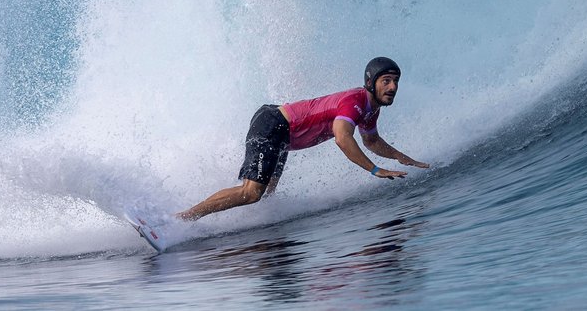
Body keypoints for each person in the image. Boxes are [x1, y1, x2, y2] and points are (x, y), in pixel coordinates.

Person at [178, 56, 430, 222]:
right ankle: (185, 218)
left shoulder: (369, 110)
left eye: (396, 81)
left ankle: (225, 226)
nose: (393, 87)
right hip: (274, 125)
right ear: (370, 82)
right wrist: (375, 170)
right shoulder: (355, 103)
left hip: (282, 135)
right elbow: (343, 138)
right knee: (251, 192)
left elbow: (372, 141)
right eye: (386, 81)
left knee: (266, 194)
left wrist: (401, 157)